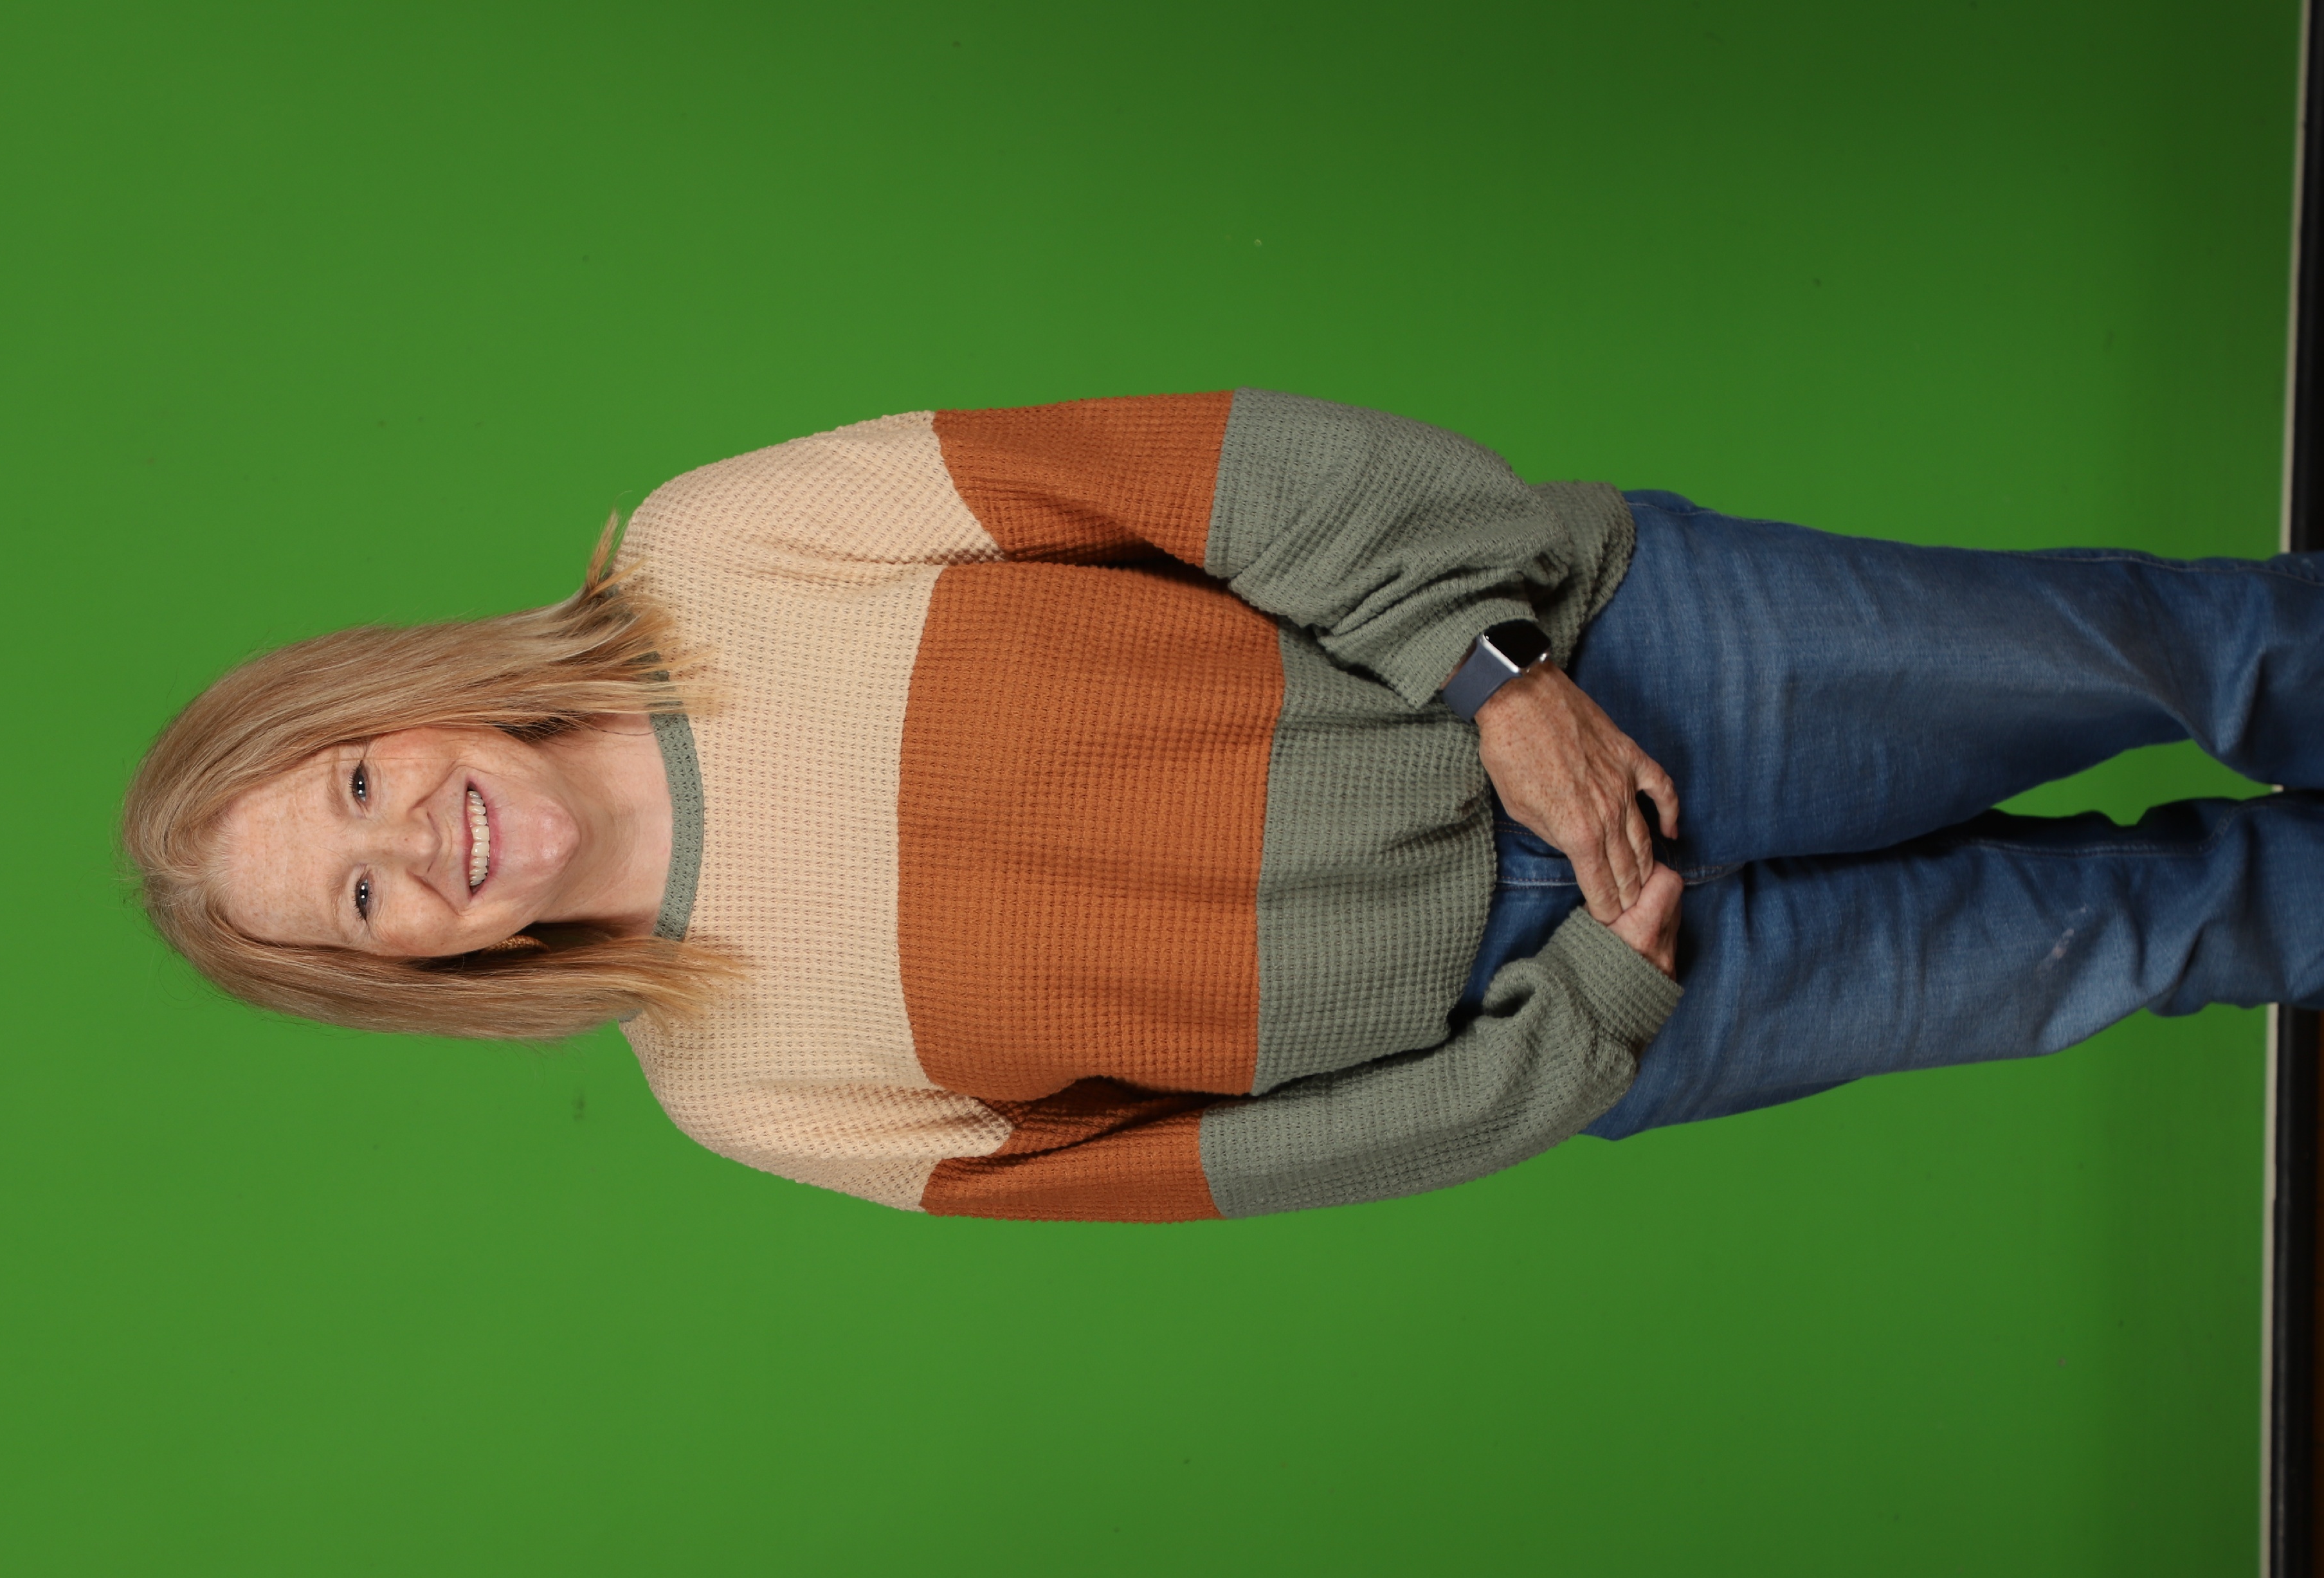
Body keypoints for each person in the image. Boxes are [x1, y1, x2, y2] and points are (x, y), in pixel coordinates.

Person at [122, 390, 2324, 1222]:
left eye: (359, 782)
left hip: (1610, 655)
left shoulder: (716, 552)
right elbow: (1224, 1167)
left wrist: (1499, 681)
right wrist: (1581, 1029)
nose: (416, 844)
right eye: (363, 901)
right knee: (2164, 939)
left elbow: (1197, 475)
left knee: (2171, 654)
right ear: (412, 975)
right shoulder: (739, 1090)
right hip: (1607, 996)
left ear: (388, 702)